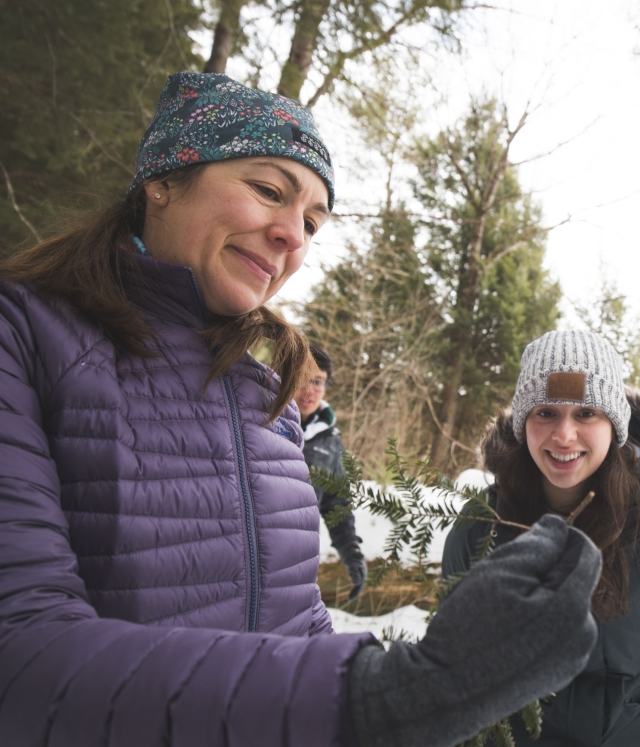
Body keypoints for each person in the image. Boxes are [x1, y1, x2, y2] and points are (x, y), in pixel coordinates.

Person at [0, 71, 602, 747]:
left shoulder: (269, 399)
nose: (293, 234)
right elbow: (20, 655)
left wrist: (442, 664)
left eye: (313, 222)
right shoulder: (22, 337)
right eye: (269, 191)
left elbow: (295, 624)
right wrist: (393, 695)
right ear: (163, 178)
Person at [443, 330, 640, 747]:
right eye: (546, 412)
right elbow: (455, 662)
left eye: (585, 413)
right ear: (523, 422)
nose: (564, 435)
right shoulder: (482, 524)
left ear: (614, 424)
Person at [297, 345, 367, 601]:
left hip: (300, 560)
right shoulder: (261, 423)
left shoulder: (330, 441)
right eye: (302, 379)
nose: (309, 390)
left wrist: (352, 556)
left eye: (318, 382)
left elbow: (337, 505)